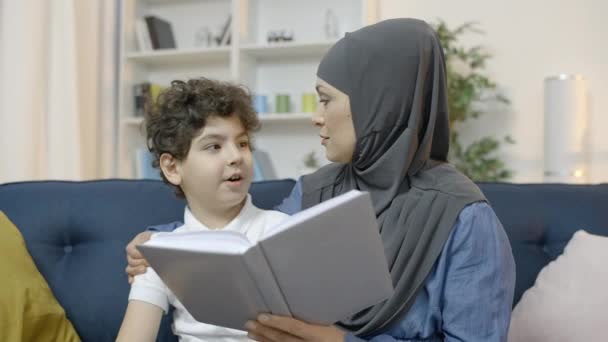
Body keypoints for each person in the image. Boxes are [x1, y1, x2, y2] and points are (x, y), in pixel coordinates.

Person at [125, 18, 516, 341]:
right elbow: (243, 247)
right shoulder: (312, 192)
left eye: (326, 99)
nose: (316, 116)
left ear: (376, 104)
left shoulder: (464, 219)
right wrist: (156, 243)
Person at [116, 78, 289, 341]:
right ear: (173, 168)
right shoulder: (161, 251)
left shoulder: (282, 231)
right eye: (214, 147)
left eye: (242, 143)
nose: (235, 156)